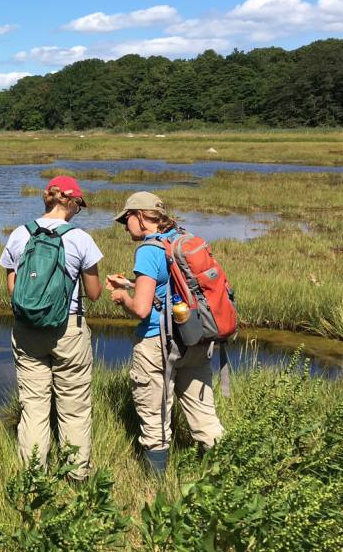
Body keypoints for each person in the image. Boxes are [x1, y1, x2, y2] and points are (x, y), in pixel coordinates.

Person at [106, 192, 224, 475]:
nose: (125, 226)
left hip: (158, 343)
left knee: (155, 419)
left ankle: (153, 491)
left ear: (140, 216)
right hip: (194, 337)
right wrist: (133, 283)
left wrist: (122, 296)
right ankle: (224, 478)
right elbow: (170, 288)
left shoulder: (148, 250)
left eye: (126, 219)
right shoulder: (182, 239)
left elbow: (142, 309)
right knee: (205, 416)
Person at [0, 175, 103, 479]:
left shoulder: (19, 234)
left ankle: (34, 477)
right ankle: (76, 475)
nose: (78, 211)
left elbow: (12, 288)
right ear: (70, 202)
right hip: (69, 329)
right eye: (79, 206)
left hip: (27, 329)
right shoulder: (80, 239)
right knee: (74, 407)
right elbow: (94, 295)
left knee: (33, 407)